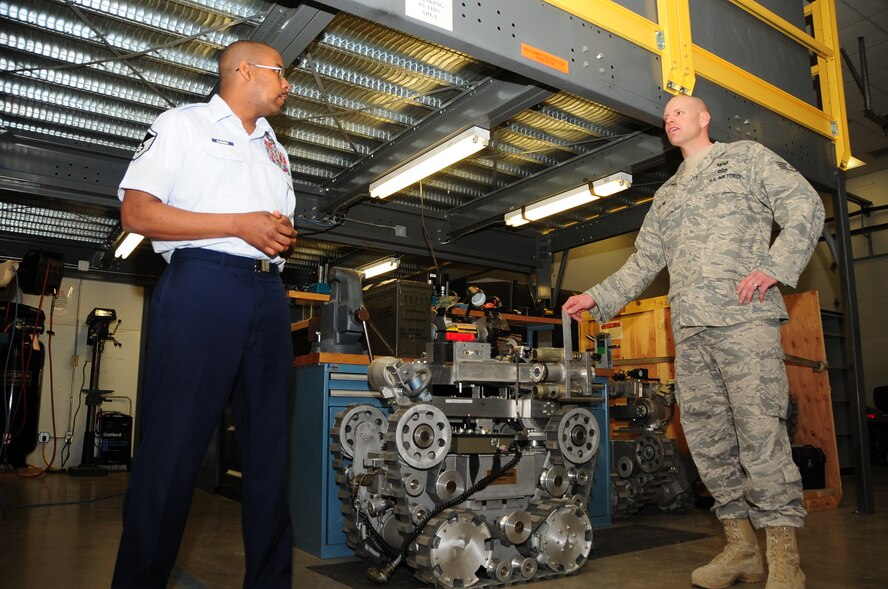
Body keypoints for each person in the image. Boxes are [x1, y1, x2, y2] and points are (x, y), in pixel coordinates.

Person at [563, 95, 824, 589]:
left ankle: (785, 557)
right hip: (691, 331)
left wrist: (774, 266)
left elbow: (804, 205)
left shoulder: (744, 158)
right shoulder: (667, 195)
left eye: (679, 111)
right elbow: (644, 261)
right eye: (665, 116)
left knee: (760, 433)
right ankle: (742, 548)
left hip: (744, 320)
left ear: (705, 118)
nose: (670, 119)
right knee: (708, 441)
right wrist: (596, 296)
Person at [112, 40, 297, 588]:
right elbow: (137, 212)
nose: (287, 84)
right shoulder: (182, 125)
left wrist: (277, 235)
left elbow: (270, 225)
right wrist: (239, 224)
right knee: (172, 451)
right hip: (203, 286)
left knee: (269, 458)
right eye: (280, 72)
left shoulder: (275, 149)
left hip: (267, 294)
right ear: (244, 71)